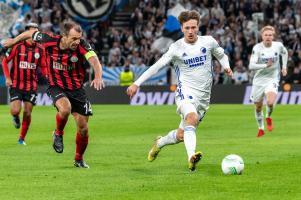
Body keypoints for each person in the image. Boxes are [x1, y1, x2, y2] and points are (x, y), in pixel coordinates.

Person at [126, 10, 233, 171]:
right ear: (182, 28)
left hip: (204, 97)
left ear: (198, 27)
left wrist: (226, 66)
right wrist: (137, 83)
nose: (191, 31)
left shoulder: (208, 41)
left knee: (182, 135)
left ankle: (159, 143)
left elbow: (222, 55)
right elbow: (157, 66)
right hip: (185, 92)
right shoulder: (176, 48)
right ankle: (191, 157)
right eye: (187, 28)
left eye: (193, 27)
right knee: (191, 117)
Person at [4, 21, 105, 168]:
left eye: (79, 38)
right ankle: (58, 133)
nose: (77, 41)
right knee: (65, 109)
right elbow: (29, 33)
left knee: (83, 128)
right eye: (73, 38)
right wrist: (14, 41)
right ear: (64, 36)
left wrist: (98, 76)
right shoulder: (49, 40)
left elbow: (94, 61)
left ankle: (79, 159)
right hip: (56, 86)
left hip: (77, 89)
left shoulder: (82, 45)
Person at [1, 23, 47, 145]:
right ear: (25, 34)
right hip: (16, 84)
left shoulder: (40, 49)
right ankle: (15, 117)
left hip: (31, 86)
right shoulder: (17, 46)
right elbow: (5, 61)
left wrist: (47, 75)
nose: (36, 36)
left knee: (27, 112)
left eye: (37, 33)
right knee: (16, 110)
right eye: (33, 33)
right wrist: (7, 78)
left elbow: (43, 66)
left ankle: (21, 139)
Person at [249, 25, 288, 137]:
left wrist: (284, 67)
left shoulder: (278, 46)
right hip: (259, 80)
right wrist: (265, 65)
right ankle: (261, 128)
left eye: (270, 35)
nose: (268, 37)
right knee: (258, 107)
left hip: (272, 78)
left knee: (270, 102)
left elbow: (285, 53)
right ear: (262, 36)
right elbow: (251, 65)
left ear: (273, 36)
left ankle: (268, 117)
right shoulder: (257, 48)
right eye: (266, 35)